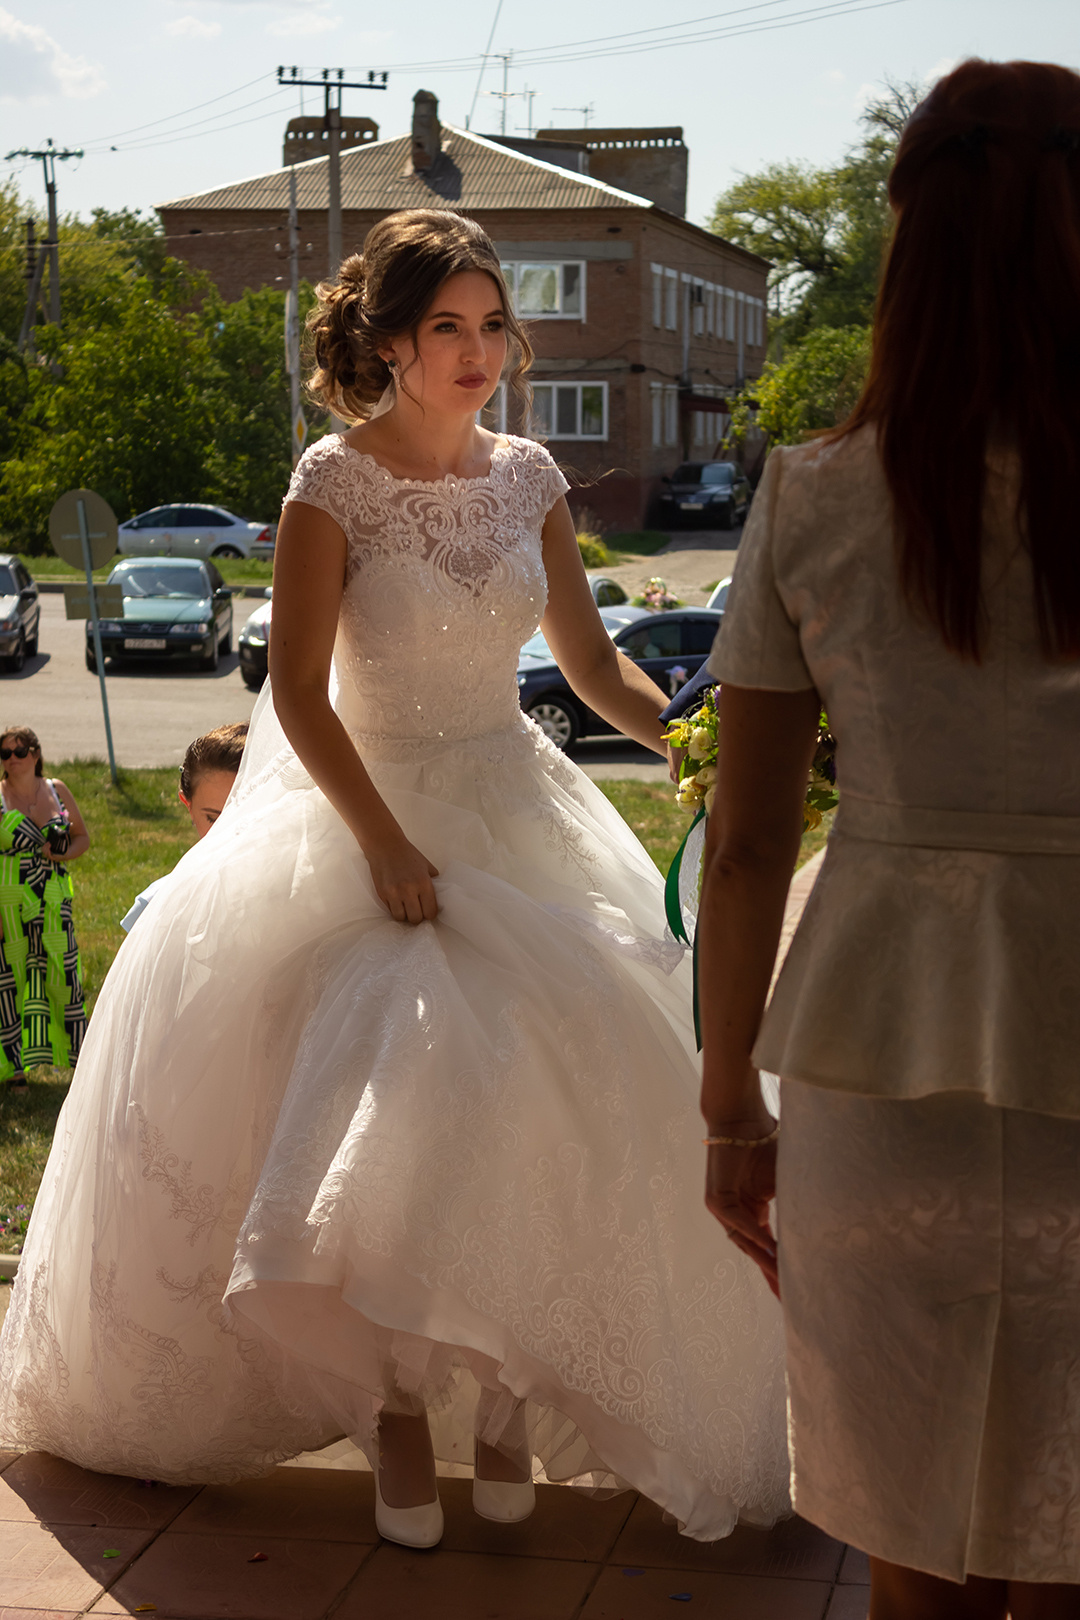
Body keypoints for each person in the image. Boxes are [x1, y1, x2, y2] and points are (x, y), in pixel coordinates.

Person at [0, 210, 789, 1549]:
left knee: (554, 1097)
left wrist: (703, 746)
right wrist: (381, 843)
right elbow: (295, 695)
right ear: (386, 341)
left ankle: (494, 1401)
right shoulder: (332, 481)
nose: (480, 351)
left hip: (515, 801)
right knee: (392, 1103)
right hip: (361, 812)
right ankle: (398, 1415)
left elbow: (592, 672)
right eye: (449, 328)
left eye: (493, 326)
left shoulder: (532, 477)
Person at [697, 59, 1080, 1620]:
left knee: (912, 1538)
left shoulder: (814, 493)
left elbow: (745, 837)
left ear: (909, 250)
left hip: (877, 1046)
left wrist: (728, 1100)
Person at [0, 726, 88, 1093]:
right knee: (11, 980)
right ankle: (14, 1069)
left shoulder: (57, 789)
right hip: (10, 899)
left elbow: (83, 837)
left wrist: (63, 853)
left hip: (52, 898)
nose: (12, 758)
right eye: (4, 753)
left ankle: (82, 1063)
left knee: (64, 977)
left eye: (20, 750)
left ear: (36, 753)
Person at [121, 722, 248, 932]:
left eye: (246, 813)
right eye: (213, 819)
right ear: (188, 804)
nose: (229, 832)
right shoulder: (159, 908)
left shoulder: (310, 900)